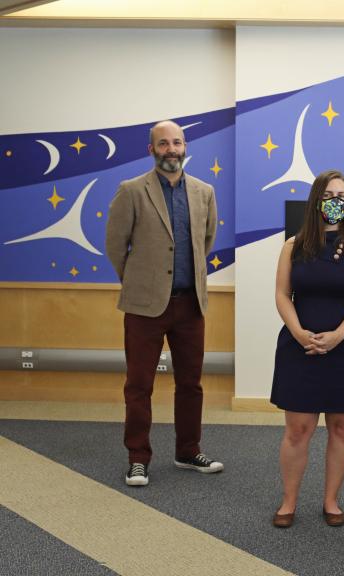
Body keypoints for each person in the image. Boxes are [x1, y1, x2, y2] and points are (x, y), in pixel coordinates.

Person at [106, 120, 223, 487]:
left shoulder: (204, 191)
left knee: (191, 384)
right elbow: (115, 245)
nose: (171, 149)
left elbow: (206, 241)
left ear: (185, 146)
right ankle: (138, 457)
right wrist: (140, 281)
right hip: (144, 307)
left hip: (191, 305)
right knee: (139, 385)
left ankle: (188, 450)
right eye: (163, 144)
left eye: (176, 142)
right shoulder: (131, 191)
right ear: (151, 150)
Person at [271, 170, 344, 528]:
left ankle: (331, 501)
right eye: (330, 195)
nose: (337, 202)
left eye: (343, 196)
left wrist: (337, 336)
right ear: (317, 200)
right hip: (300, 346)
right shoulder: (294, 244)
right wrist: (298, 331)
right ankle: (288, 502)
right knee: (298, 429)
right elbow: (281, 294)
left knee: (342, 428)